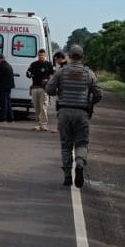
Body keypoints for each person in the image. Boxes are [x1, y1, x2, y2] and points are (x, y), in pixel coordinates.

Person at [44, 44, 102, 188]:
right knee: (82, 143)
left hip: (64, 112)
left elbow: (49, 90)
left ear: (69, 56)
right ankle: (80, 164)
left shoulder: (61, 72)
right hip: (82, 113)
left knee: (66, 145)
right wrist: (89, 102)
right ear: (82, 57)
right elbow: (98, 94)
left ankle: (67, 176)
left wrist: (59, 91)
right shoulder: (89, 73)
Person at [26, 48, 54, 131]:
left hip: (44, 89)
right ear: (38, 55)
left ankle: (44, 124)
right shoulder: (34, 64)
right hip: (35, 88)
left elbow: (53, 76)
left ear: (45, 56)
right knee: (37, 107)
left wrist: (48, 80)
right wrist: (28, 74)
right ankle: (39, 124)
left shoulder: (48, 64)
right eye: (39, 55)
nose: (41, 57)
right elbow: (28, 73)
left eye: (42, 55)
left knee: (44, 107)